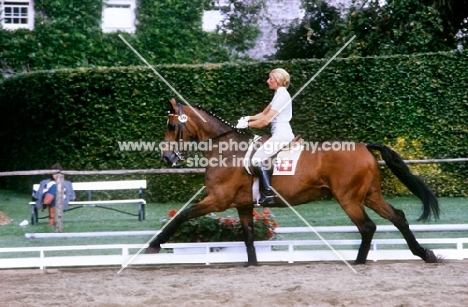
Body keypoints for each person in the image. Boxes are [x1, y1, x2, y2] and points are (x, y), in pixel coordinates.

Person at [236, 68, 294, 205]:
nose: (268, 81)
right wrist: (247, 118)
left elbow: (265, 121)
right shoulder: (278, 94)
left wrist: (246, 125)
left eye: (270, 78)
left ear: (278, 80)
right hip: (279, 133)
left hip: (282, 135)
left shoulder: (282, 95)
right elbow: (263, 114)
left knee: (256, 159)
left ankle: (269, 195)